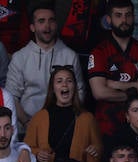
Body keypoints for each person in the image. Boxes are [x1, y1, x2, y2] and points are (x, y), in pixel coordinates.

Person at [24, 66, 100, 162]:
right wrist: (37, 155)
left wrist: (94, 153)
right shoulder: (39, 117)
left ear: (75, 87)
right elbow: (25, 150)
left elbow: (98, 155)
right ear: (53, 88)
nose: (64, 84)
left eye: (69, 81)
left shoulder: (87, 118)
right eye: (59, 81)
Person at [7, 4, 87, 134]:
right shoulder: (20, 57)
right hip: (27, 128)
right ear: (32, 27)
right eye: (41, 21)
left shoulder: (70, 56)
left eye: (51, 20)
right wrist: (27, 123)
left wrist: (66, 120)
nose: (47, 26)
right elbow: (11, 97)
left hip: (64, 128)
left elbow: (80, 92)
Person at [85, 0, 138, 137]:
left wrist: (115, 84)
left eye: (128, 15)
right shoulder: (99, 52)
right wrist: (133, 93)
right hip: (107, 128)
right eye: (118, 15)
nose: (124, 20)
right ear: (109, 19)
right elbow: (99, 92)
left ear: (133, 17)